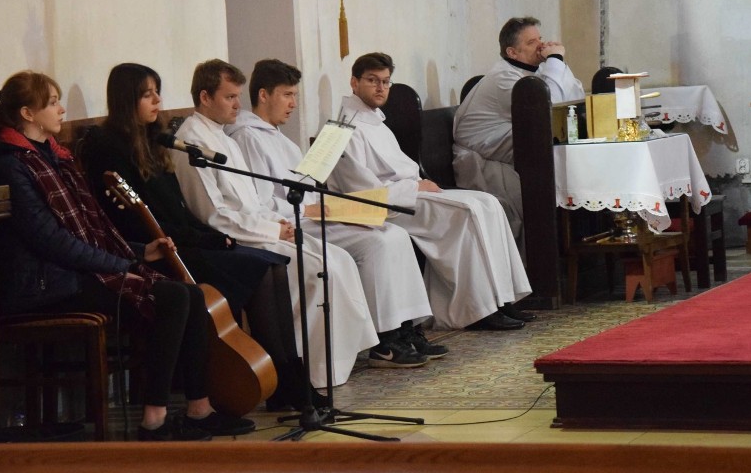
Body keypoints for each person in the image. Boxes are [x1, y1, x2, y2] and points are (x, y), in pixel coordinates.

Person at [0, 70, 254, 441]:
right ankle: (153, 419)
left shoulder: (55, 158)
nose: (62, 110)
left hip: (77, 273)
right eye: (54, 102)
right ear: (27, 113)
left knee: (189, 292)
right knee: (171, 295)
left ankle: (199, 408)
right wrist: (123, 265)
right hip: (46, 285)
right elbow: (52, 242)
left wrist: (141, 252)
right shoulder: (11, 166)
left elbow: (95, 229)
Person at [78, 63, 316, 411]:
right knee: (261, 268)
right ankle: (283, 381)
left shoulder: (154, 139)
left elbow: (177, 208)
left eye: (158, 91)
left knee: (273, 262)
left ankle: (289, 373)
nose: (158, 100)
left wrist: (212, 237)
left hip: (184, 239)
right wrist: (208, 238)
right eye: (148, 94)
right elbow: (143, 220)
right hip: (155, 250)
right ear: (126, 99)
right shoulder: (110, 147)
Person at [172, 59, 379, 388]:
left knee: (337, 259)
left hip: (258, 227)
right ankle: (307, 369)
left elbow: (251, 200)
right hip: (235, 241)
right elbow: (213, 214)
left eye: (238, 96)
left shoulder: (222, 136)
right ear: (205, 97)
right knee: (320, 271)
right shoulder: (192, 142)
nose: (239, 105)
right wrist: (272, 229)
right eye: (229, 97)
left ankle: (334, 363)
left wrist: (279, 222)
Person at [225, 59, 446, 368]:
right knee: (377, 244)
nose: (293, 104)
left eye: (295, 96)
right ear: (264, 95)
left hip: (315, 212)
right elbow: (263, 203)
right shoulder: (248, 137)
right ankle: (384, 341)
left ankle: (405, 328)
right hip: (294, 223)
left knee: (394, 232)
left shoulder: (277, 136)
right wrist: (313, 207)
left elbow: (300, 184)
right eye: (288, 95)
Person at [328, 53, 535, 331]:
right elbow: (362, 192)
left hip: (411, 194)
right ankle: (476, 310)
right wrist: (413, 187)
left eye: (386, 82)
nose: (380, 88)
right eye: (372, 81)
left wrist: (416, 186)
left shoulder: (374, 120)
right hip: (389, 206)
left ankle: (502, 299)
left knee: (490, 203)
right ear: (354, 83)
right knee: (469, 212)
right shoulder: (343, 127)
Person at [452, 17, 584, 244]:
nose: (542, 46)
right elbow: (546, 108)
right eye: (532, 42)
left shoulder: (529, 74)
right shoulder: (505, 77)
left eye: (541, 39)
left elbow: (574, 97)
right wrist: (554, 59)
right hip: (483, 153)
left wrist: (557, 61)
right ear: (512, 52)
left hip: (507, 146)